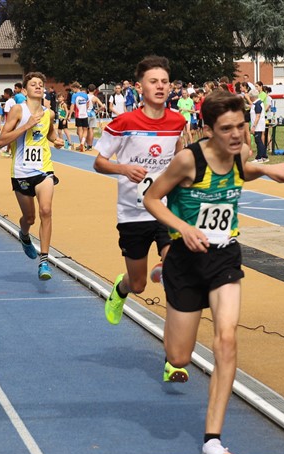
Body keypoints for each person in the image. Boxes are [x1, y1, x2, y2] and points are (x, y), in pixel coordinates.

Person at [142, 89, 284, 454]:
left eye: (240, 126)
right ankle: (165, 277)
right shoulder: (188, 160)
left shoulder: (241, 152)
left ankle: (212, 439)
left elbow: (245, 169)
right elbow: (151, 198)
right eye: (226, 128)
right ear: (209, 129)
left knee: (226, 340)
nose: (236, 134)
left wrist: (269, 171)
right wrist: (184, 228)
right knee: (179, 356)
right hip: (185, 260)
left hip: (224, 256)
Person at [94, 55, 187, 325]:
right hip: (132, 213)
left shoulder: (177, 122)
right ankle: (121, 289)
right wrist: (123, 169)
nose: (160, 86)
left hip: (164, 209)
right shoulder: (123, 123)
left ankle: (168, 274)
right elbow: (99, 163)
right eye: (153, 81)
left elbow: (178, 154)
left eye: (165, 82)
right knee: (138, 284)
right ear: (140, 87)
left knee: (175, 265)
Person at [0, 71, 65, 280]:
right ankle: (24, 234)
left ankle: (44, 261)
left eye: (41, 84)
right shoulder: (18, 110)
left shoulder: (49, 114)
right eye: (33, 84)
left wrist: (56, 140)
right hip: (21, 172)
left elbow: (50, 133)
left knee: (46, 210)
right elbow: (1, 141)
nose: (38, 86)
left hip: (44, 169)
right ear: (25, 91)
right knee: (29, 218)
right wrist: (26, 126)